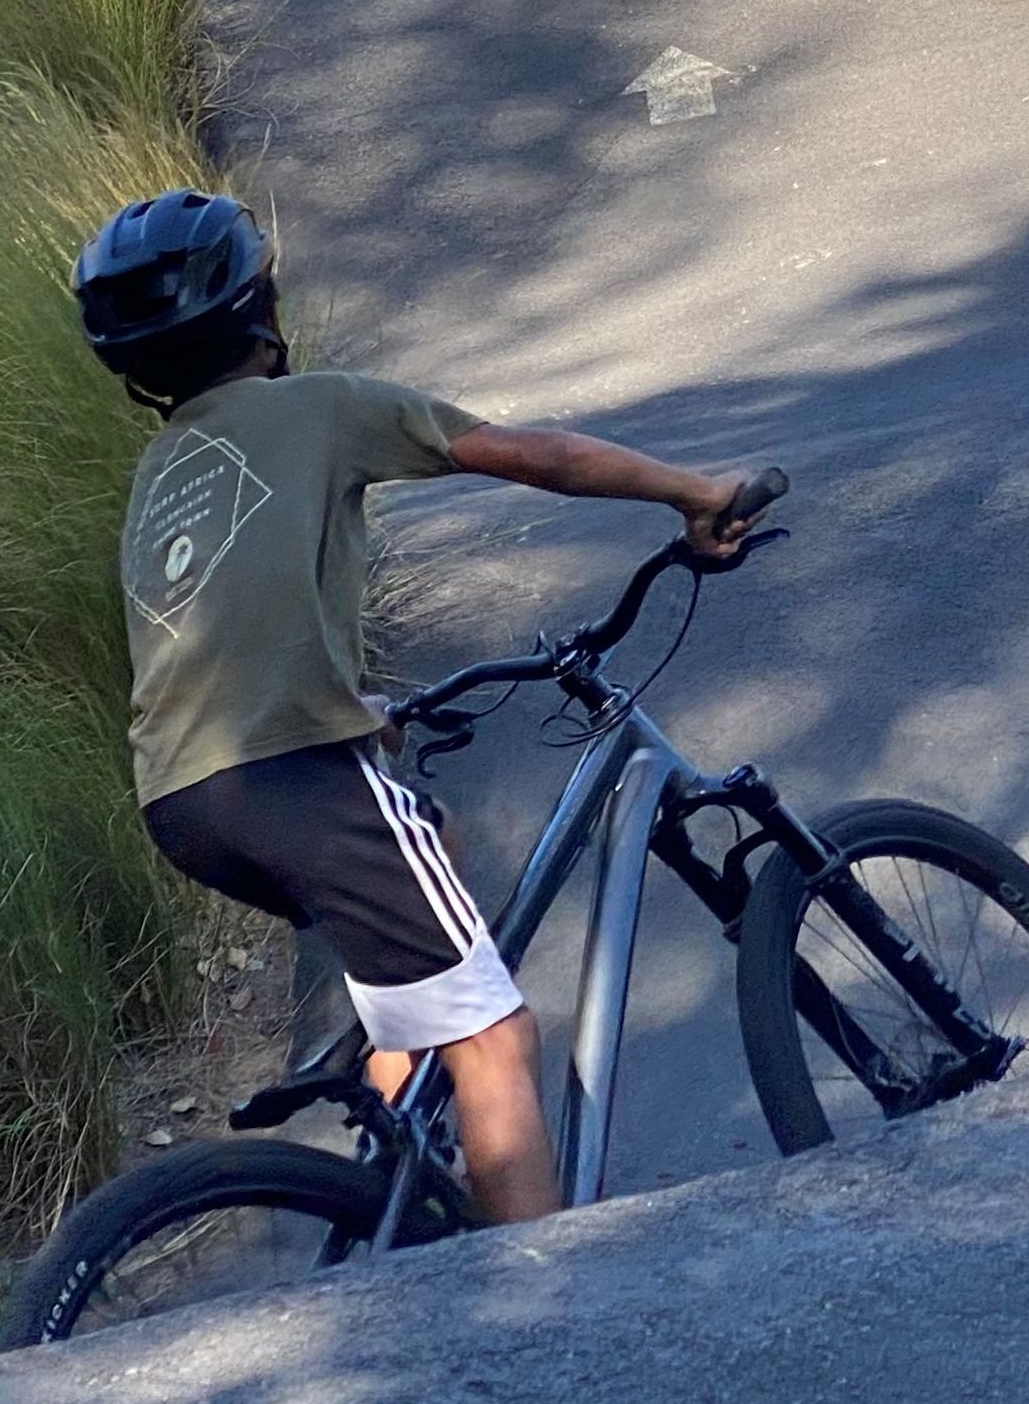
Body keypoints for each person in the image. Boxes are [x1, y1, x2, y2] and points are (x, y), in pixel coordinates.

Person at [75, 191, 772, 1226]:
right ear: (260, 308)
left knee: (424, 850)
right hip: (293, 778)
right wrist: (691, 491)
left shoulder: (160, 474)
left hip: (185, 801)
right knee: (496, 1038)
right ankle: (546, 1306)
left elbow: (224, 634)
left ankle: (418, 1166)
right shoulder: (319, 407)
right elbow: (535, 455)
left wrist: (354, 703)